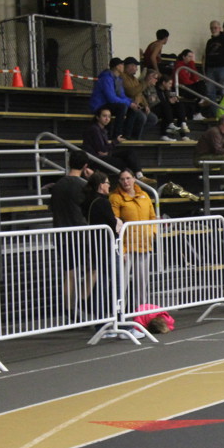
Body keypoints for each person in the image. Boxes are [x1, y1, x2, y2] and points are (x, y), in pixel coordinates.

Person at [110, 170, 157, 318]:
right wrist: (122, 248)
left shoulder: (145, 195)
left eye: (128, 178)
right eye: (122, 179)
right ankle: (119, 315)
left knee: (142, 283)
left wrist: (152, 232)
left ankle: (141, 315)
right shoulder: (115, 198)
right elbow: (115, 223)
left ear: (134, 179)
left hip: (144, 244)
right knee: (121, 283)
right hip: (126, 246)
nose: (126, 182)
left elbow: (152, 217)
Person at [50, 151, 91, 318]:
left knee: (69, 272)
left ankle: (69, 309)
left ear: (69, 163)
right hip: (81, 234)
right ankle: (83, 300)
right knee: (92, 267)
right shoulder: (83, 185)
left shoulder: (58, 185)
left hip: (61, 233)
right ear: (85, 166)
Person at [82, 171, 123, 321]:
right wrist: (118, 222)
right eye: (107, 183)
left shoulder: (88, 201)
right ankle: (119, 317)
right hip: (107, 246)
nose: (109, 186)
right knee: (117, 282)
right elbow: (112, 223)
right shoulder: (102, 202)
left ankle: (100, 318)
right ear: (101, 185)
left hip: (97, 247)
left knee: (102, 282)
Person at [82, 107, 156, 187]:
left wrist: (107, 150)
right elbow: (102, 149)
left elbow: (104, 149)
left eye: (109, 116)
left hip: (104, 155)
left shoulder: (102, 129)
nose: (107, 119)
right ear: (97, 117)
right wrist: (115, 142)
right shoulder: (94, 129)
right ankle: (135, 180)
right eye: (104, 116)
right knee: (126, 163)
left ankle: (140, 176)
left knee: (130, 153)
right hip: (96, 160)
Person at [89, 57, 144, 140]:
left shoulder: (118, 79)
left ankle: (127, 135)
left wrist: (131, 103)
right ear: (117, 67)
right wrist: (128, 104)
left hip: (110, 104)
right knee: (122, 107)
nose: (123, 66)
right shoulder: (106, 78)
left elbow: (122, 95)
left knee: (133, 109)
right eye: (122, 64)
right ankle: (117, 135)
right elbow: (111, 98)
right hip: (100, 105)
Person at [120, 57, 156, 139]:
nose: (136, 69)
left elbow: (140, 93)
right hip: (128, 105)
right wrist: (145, 83)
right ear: (129, 66)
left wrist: (146, 105)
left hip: (137, 105)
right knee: (142, 117)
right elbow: (131, 92)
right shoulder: (123, 77)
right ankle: (134, 138)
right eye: (135, 66)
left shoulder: (135, 79)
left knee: (153, 119)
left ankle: (135, 135)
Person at [204, 19, 224, 103]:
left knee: (223, 91)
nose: (213, 30)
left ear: (219, 28)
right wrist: (206, 71)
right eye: (211, 28)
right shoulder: (209, 42)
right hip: (211, 68)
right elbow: (207, 57)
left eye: (215, 28)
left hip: (223, 68)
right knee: (210, 91)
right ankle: (214, 110)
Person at [173, 49, 207, 120]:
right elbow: (185, 80)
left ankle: (201, 102)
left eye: (192, 57)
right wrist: (192, 63)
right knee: (200, 90)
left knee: (201, 84)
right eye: (189, 56)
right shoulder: (179, 66)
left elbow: (196, 78)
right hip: (181, 88)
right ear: (183, 57)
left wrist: (191, 65)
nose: (191, 59)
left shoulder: (189, 66)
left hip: (188, 86)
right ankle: (198, 108)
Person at [155, 74, 190, 141]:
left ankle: (183, 127)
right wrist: (169, 101)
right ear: (164, 83)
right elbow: (159, 103)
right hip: (159, 109)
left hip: (168, 110)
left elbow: (174, 98)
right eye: (169, 83)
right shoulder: (157, 90)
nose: (171, 85)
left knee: (179, 105)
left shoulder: (170, 90)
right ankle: (164, 134)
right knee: (166, 108)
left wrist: (175, 99)